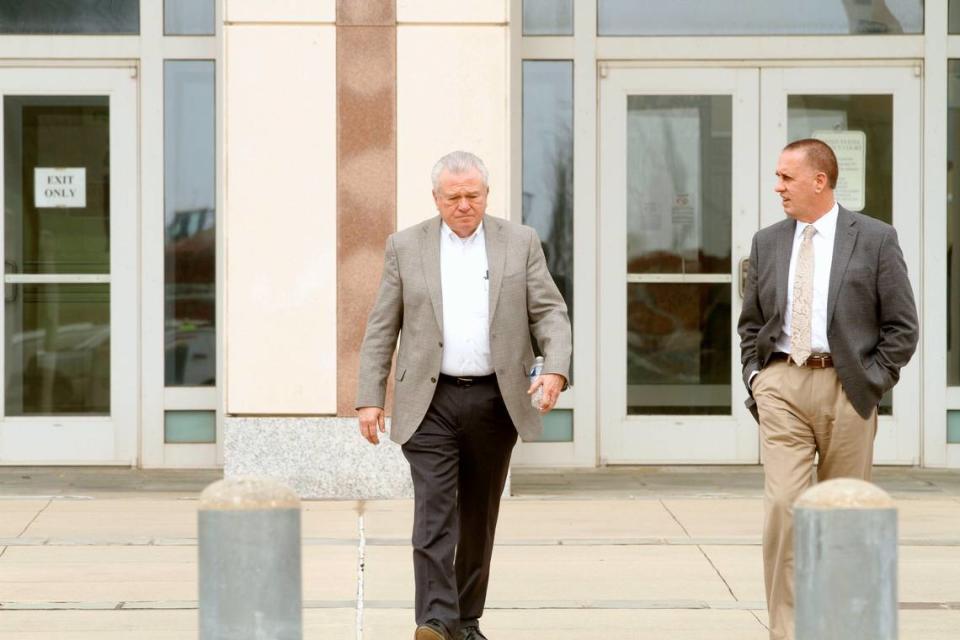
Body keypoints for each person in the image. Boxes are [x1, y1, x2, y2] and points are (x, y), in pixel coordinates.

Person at [355, 150, 572, 640]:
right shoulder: (405, 246)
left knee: (478, 515)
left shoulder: (520, 243)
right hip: (428, 402)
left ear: (486, 195)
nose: (464, 205)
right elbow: (381, 326)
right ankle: (434, 619)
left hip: (496, 401)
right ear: (436, 198)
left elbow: (550, 313)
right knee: (434, 510)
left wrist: (555, 368)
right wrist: (370, 396)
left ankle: (466, 619)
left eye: (472, 195)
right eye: (453, 197)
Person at [738, 138, 919, 640]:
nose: (777, 187)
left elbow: (903, 326)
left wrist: (873, 381)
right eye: (777, 177)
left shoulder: (876, 238)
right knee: (785, 509)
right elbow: (751, 323)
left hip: (849, 387)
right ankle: (790, 631)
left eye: (786, 178)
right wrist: (758, 377)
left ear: (820, 181)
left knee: (845, 518)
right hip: (783, 385)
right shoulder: (768, 241)